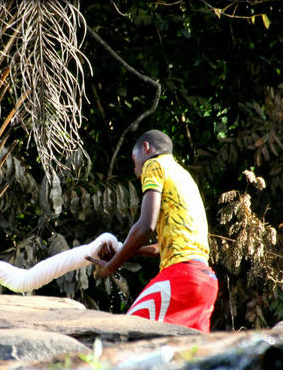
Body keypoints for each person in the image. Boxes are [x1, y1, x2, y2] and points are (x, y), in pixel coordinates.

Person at [86, 129, 218, 333]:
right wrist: (123, 251)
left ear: (146, 148)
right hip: (205, 282)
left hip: (181, 278)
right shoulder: (183, 175)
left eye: (134, 158)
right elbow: (161, 248)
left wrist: (111, 266)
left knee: (125, 335)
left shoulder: (154, 165)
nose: (135, 167)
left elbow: (146, 225)